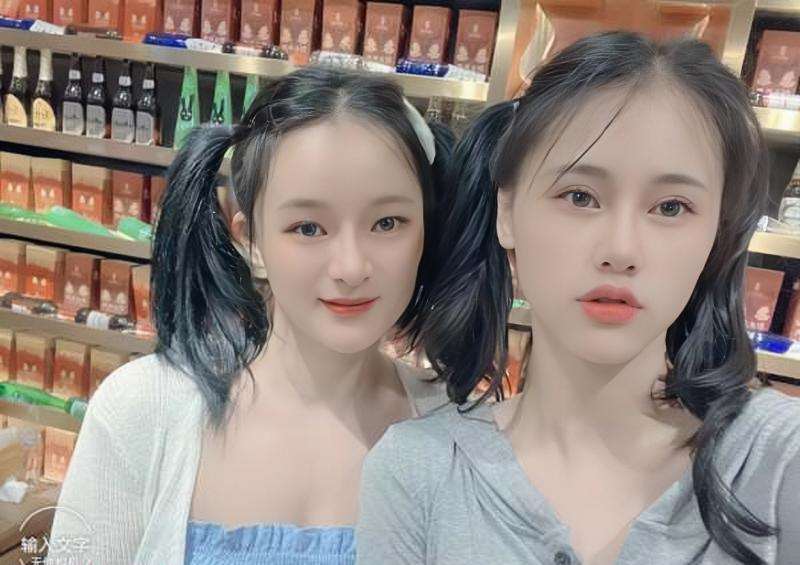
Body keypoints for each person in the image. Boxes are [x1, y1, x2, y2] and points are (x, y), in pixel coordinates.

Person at [356, 31, 800, 565]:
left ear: (718, 234)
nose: (621, 250)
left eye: (671, 207)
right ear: (507, 213)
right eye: (580, 196)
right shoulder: (417, 471)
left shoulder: (779, 462)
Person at [46, 67, 452, 565]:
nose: (351, 268)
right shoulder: (143, 409)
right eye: (308, 228)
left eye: (387, 222)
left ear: (426, 230)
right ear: (251, 240)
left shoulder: (454, 436)